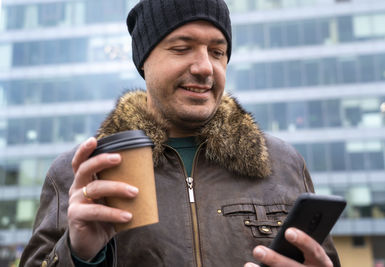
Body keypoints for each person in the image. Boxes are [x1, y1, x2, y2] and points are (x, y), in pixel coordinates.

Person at [20, 0, 340, 266]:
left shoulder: (284, 163)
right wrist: (79, 254)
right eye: (182, 48)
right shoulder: (84, 173)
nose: (204, 67)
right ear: (144, 61)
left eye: (217, 51)